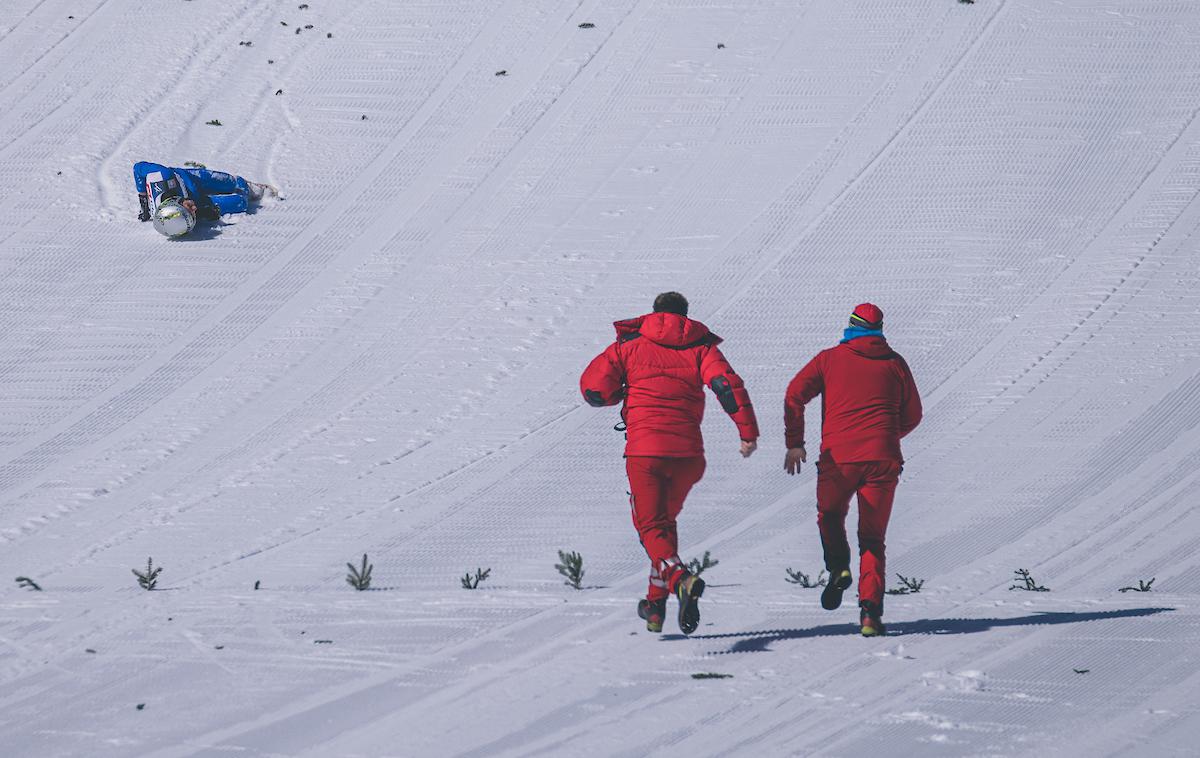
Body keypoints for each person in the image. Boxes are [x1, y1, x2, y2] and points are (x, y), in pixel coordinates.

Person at [581, 292, 759, 635]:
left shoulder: (628, 346)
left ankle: (681, 579)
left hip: (645, 453)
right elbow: (726, 385)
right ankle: (655, 605)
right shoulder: (702, 347)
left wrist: (623, 394)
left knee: (649, 528)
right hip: (688, 457)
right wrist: (747, 433)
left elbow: (593, 390)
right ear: (685, 316)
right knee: (663, 528)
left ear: (655, 313)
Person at [783, 303, 922, 637]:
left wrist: (795, 442)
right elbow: (914, 414)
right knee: (873, 539)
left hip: (839, 459)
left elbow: (793, 396)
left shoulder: (829, 359)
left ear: (850, 326)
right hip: (883, 460)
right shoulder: (895, 363)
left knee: (829, 515)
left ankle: (838, 567)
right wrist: (884, 437)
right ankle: (870, 613)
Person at [133, 161, 276, 237]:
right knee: (239, 203)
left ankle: (245, 184)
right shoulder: (176, 219)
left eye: (190, 209)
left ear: (175, 203)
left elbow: (137, 168)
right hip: (198, 199)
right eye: (192, 215)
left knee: (229, 182)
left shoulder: (162, 176)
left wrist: (142, 196)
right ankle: (244, 188)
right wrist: (202, 214)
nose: (193, 209)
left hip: (191, 179)